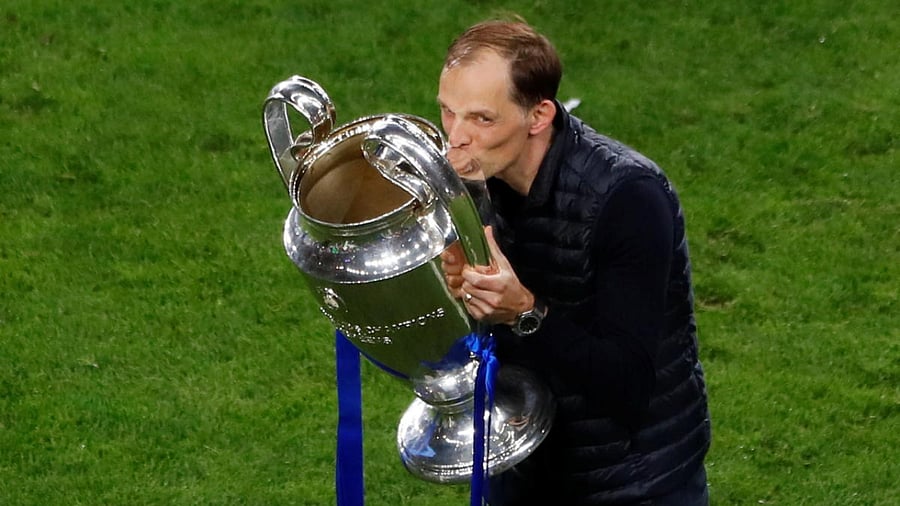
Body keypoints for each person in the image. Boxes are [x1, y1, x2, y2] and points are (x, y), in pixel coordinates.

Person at [438, 19, 712, 505]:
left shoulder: (628, 199)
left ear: (538, 115)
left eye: (482, 119)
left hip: (632, 481)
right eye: (447, 111)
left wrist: (524, 312)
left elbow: (627, 382)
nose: (456, 138)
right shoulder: (470, 183)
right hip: (520, 466)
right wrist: (456, 292)